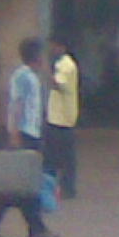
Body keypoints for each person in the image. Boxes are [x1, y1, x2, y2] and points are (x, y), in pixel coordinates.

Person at [0, 38, 56, 237]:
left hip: (31, 131)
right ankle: (30, 227)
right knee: (22, 183)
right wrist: (14, 134)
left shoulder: (31, 76)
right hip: (24, 133)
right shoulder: (24, 77)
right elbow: (17, 105)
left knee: (25, 183)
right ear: (37, 56)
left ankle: (32, 227)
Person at [45, 33, 81, 199]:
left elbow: (57, 83)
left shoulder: (65, 65)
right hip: (61, 116)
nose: (51, 49)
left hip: (61, 118)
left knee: (56, 156)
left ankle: (61, 188)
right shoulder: (63, 64)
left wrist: (46, 71)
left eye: (53, 46)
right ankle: (64, 187)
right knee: (64, 156)